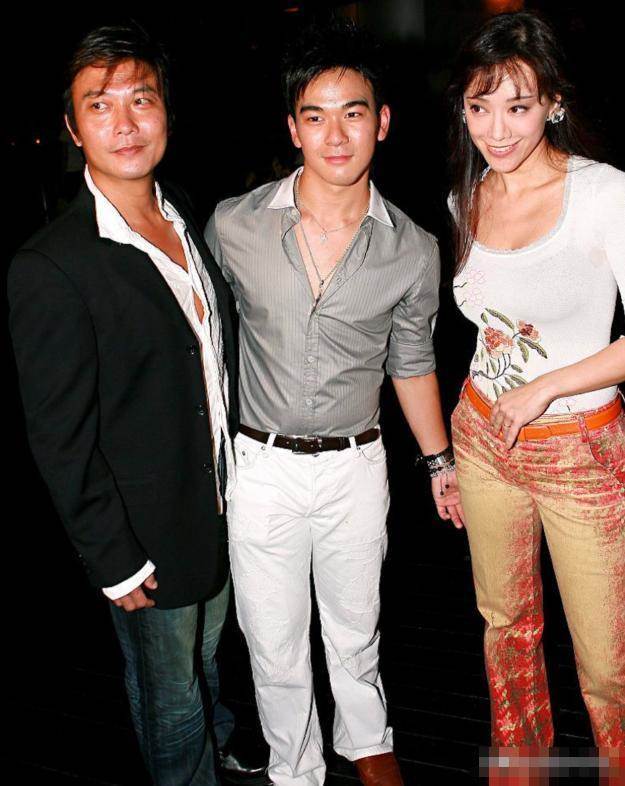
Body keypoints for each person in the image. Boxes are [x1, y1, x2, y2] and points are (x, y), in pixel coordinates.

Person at [204, 20, 464, 786]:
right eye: (314, 116)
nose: (335, 135)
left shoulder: (412, 248)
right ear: (293, 129)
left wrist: (439, 464)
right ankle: (295, 770)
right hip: (260, 466)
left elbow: (411, 363)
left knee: (355, 630)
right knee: (273, 643)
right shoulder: (233, 225)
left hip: (355, 464)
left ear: (381, 122)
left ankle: (368, 744)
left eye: (353, 113)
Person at [8, 24, 265, 786]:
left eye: (140, 100)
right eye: (99, 105)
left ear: (167, 113)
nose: (123, 123)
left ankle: (216, 738)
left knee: (204, 661)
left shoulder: (180, 210)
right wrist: (113, 559)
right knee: (170, 697)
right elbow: (58, 435)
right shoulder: (52, 265)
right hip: (145, 534)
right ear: (71, 127)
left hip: (217, 503)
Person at [447, 10, 625, 757]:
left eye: (517, 107)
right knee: (506, 634)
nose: (496, 130)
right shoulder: (465, 196)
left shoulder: (603, 193)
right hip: (482, 438)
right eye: (479, 106)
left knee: (610, 669)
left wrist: (546, 387)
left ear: (552, 102)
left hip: (580, 450)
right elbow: (488, 326)